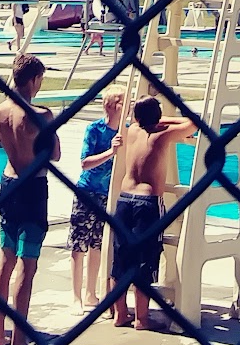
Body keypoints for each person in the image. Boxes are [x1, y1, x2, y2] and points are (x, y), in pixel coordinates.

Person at [109, 96, 194, 332]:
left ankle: (120, 314)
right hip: (146, 203)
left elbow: (141, 120)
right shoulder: (162, 135)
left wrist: (153, 119)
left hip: (124, 199)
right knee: (144, 261)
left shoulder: (132, 130)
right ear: (157, 119)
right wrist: (166, 120)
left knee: (121, 260)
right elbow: (192, 124)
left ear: (137, 117)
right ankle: (141, 319)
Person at [0, 53, 53, 345]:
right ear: (33, 80)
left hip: (8, 182)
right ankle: (18, 342)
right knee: (27, 266)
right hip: (32, 187)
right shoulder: (41, 114)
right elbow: (54, 154)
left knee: (5, 260)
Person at [69, 91, 122, 308]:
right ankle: (76, 296)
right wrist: (111, 151)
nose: (127, 105)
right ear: (110, 106)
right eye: (121, 102)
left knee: (97, 244)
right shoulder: (95, 129)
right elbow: (85, 162)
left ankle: (91, 293)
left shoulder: (125, 131)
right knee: (79, 243)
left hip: (107, 195)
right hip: (87, 192)